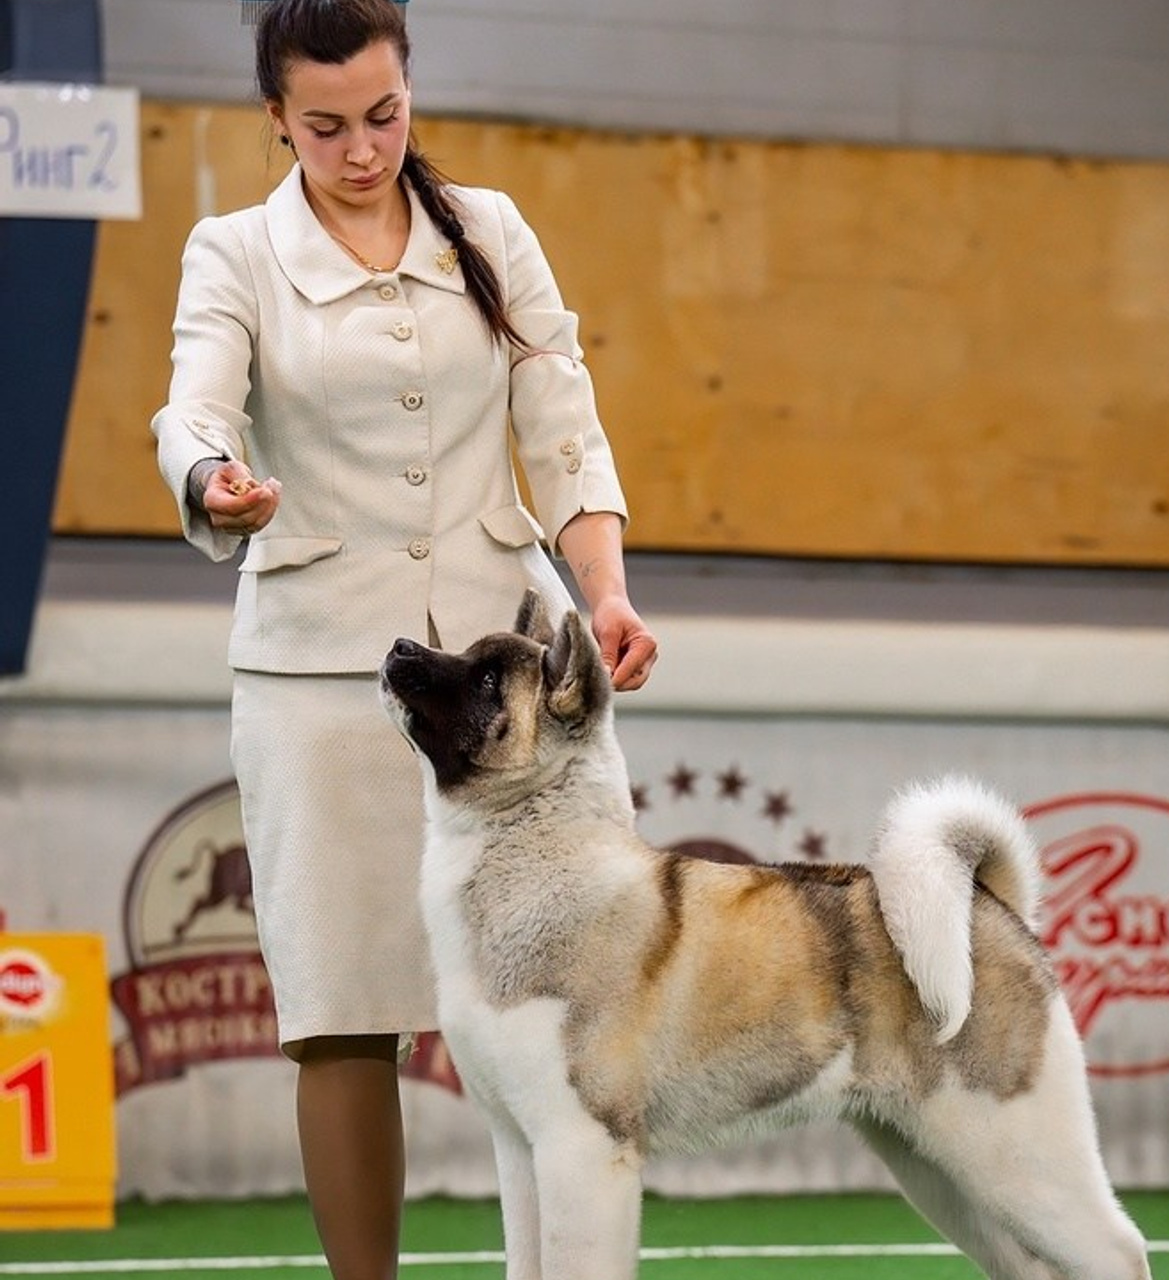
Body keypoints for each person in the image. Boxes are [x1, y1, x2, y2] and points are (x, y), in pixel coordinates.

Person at [151, 0, 657, 1275]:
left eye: (383, 115)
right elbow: (192, 402)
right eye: (324, 127)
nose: (362, 148)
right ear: (276, 119)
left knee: (565, 1001)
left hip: (518, 686)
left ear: (409, 91)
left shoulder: (491, 230)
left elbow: (565, 429)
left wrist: (601, 590)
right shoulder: (232, 251)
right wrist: (215, 477)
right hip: (319, 682)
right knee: (340, 1020)